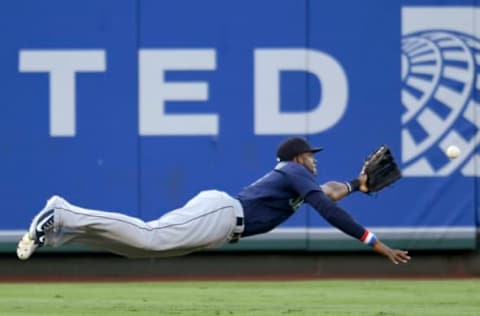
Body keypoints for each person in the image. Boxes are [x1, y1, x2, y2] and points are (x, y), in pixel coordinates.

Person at [17, 137, 411, 264]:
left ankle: (58, 232)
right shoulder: (293, 173)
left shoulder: (297, 182)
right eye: (311, 155)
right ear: (297, 158)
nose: (314, 160)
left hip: (220, 226)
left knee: (140, 249)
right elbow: (327, 207)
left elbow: (328, 193)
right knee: (149, 235)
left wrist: (358, 184)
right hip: (223, 214)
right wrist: (376, 244)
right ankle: (64, 210)